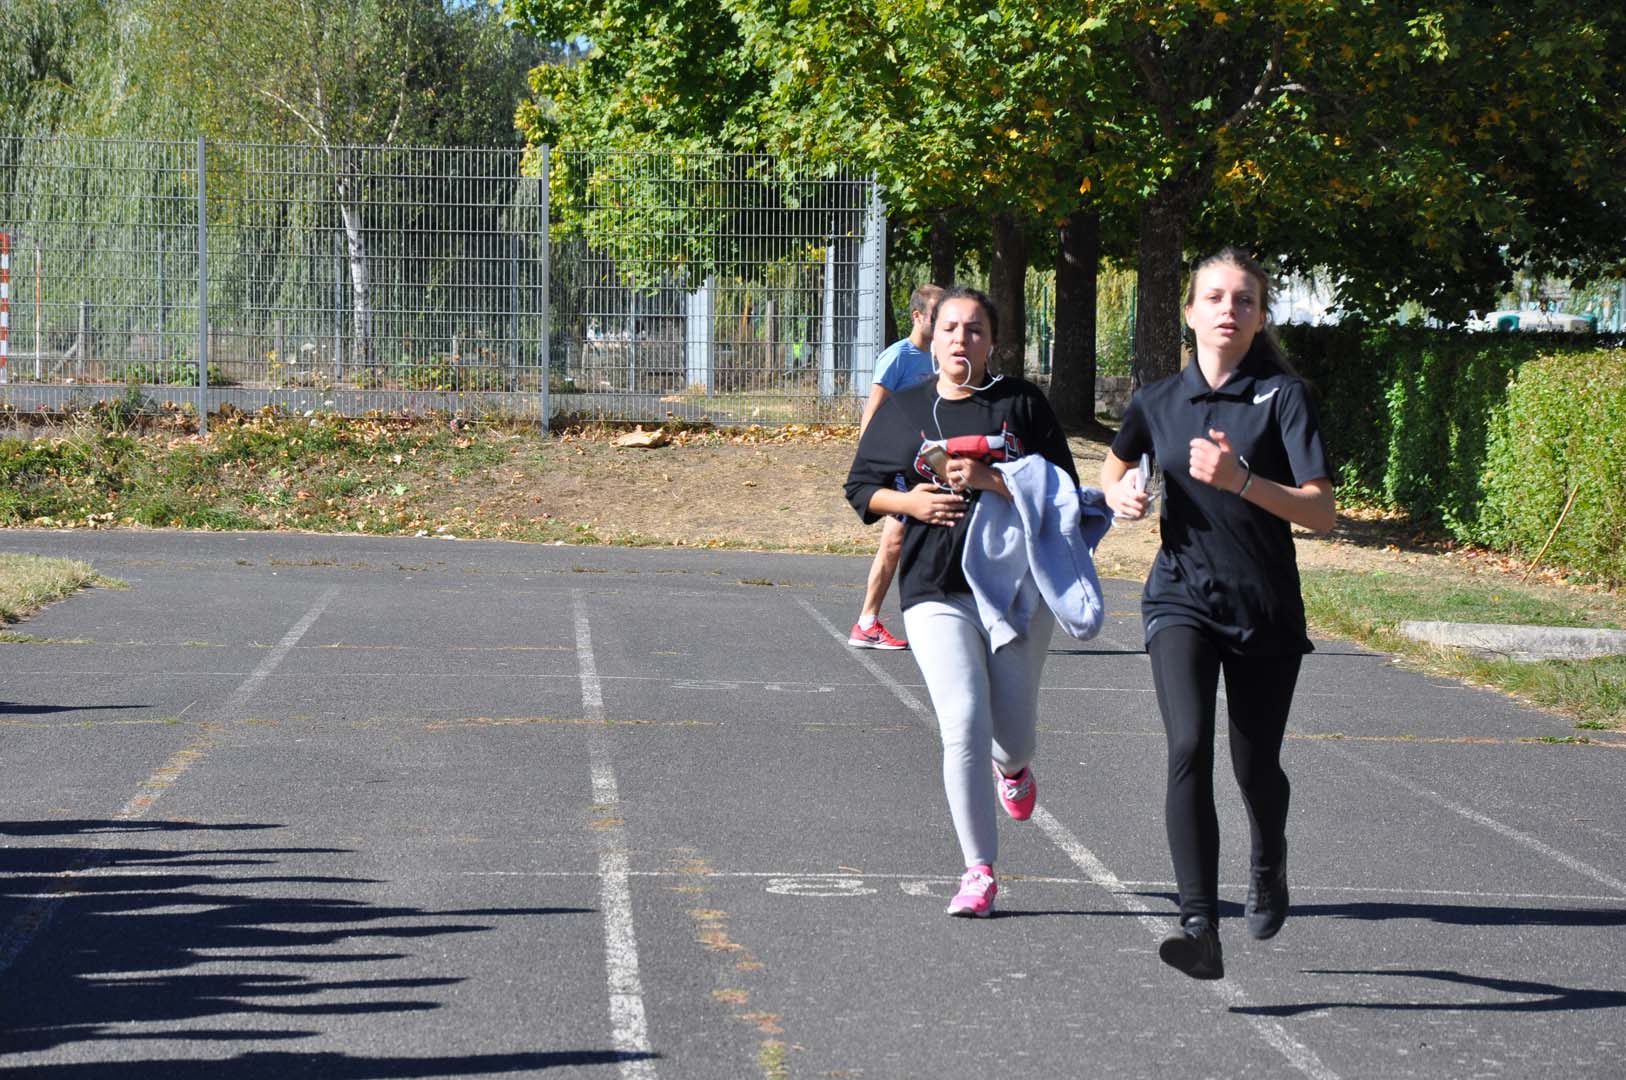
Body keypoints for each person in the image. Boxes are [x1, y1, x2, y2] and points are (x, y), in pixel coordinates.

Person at [1100, 247, 1335, 979]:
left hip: (1263, 606)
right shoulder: (1158, 399)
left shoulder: (1283, 398)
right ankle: (1199, 924)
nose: (1228, 310)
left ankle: (1269, 862)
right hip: (1180, 598)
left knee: (1255, 767)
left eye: (1244, 300)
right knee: (1187, 747)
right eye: (1215, 297)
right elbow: (1116, 465)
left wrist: (1242, 480)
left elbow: (1323, 512)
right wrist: (1122, 495)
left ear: (1259, 316)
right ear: (1192, 311)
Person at [846, 285, 1079, 917]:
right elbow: (860, 488)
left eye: (975, 330)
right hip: (934, 588)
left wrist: (991, 479)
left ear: (992, 342)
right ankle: (978, 870)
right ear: (931, 334)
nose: (960, 339)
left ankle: (1016, 770)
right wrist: (911, 502)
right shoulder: (906, 408)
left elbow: (1065, 493)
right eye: (950, 327)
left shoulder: (1021, 404)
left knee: (1013, 739)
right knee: (964, 722)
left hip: (1016, 591)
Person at [848, 284, 944, 650]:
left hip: (933, 459)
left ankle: (944, 617)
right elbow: (873, 410)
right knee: (895, 540)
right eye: (936, 314)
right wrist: (869, 462)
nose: (943, 322)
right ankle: (868, 621)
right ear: (918, 316)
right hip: (902, 462)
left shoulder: (939, 356)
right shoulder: (898, 357)